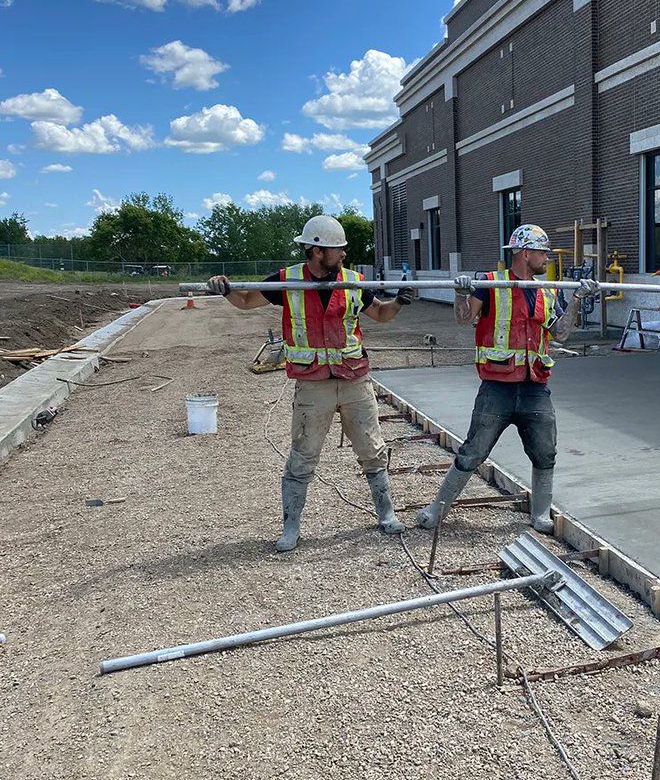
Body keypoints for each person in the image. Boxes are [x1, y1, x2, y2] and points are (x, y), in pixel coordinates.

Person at [209, 214, 413, 550]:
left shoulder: (351, 281)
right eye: (338, 249)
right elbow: (245, 302)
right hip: (312, 385)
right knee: (303, 455)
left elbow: (381, 314)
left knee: (372, 449)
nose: (344, 254)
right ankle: (291, 529)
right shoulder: (286, 281)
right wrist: (225, 289)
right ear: (318, 252)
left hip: (354, 381)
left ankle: (386, 514)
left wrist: (400, 302)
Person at [416, 224, 601, 535]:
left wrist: (578, 300)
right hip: (497, 387)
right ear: (526, 253)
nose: (547, 258)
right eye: (543, 252)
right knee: (474, 451)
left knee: (545, 451)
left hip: (535, 387)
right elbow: (463, 320)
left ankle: (540, 513)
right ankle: (437, 509)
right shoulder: (490, 284)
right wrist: (461, 293)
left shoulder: (547, 289)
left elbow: (561, 332)